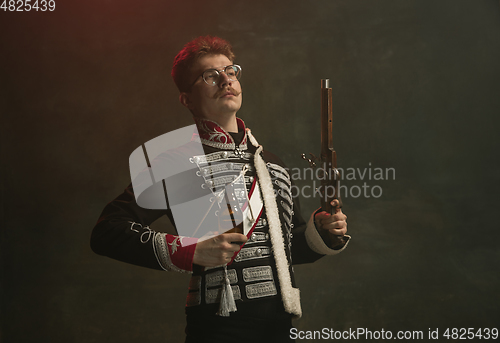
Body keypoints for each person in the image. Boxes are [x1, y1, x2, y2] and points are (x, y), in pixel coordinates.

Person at [91, 35, 349, 343]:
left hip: (280, 325)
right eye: (210, 76)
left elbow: (286, 249)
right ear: (186, 99)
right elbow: (107, 231)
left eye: (230, 71)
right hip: (218, 326)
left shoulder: (271, 162)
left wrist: (323, 233)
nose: (225, 80)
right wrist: (191, 251)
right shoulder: (177, 162)